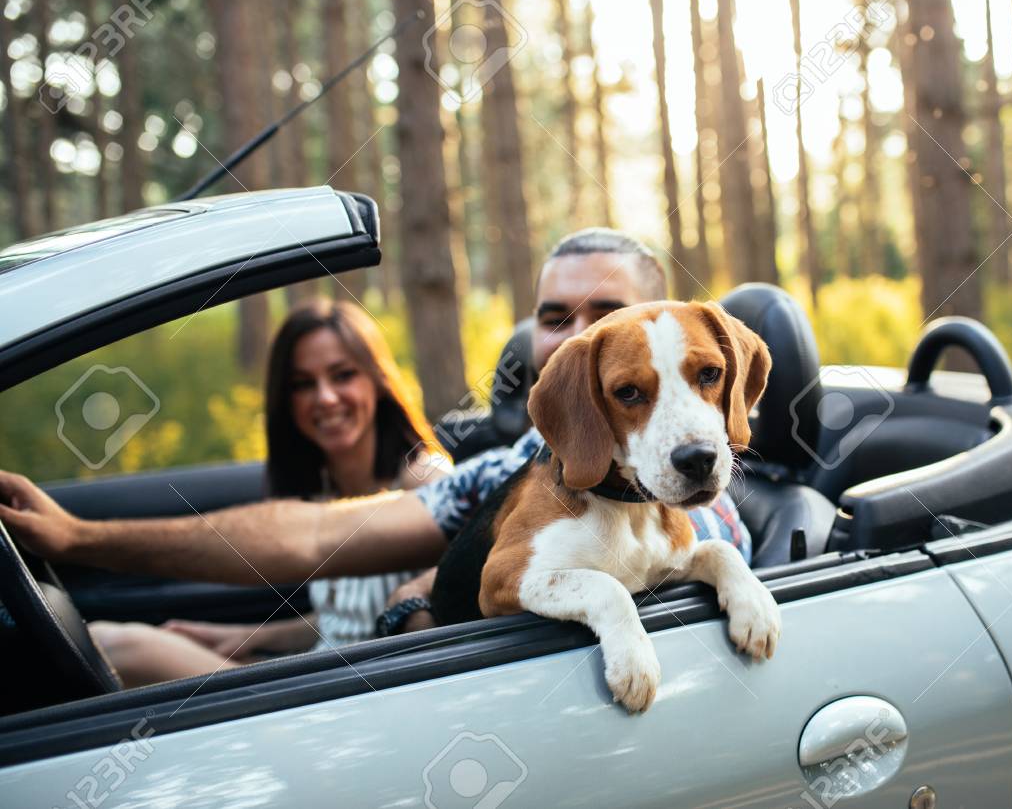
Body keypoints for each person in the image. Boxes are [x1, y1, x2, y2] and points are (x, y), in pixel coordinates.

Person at [0, 229, 750, 674]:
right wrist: (79, 537)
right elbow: (319, 536)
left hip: (422, 699)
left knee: (116, 650)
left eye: (607, 314)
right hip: (389, 676)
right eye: (555, 316)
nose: (574, 335)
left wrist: (425, 600)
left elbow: (687, 547)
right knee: (119, 643)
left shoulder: (692, 488)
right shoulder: (512, 468)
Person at [88, 299, 446, 686]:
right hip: (318, 673)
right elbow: (342, 619)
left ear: (377, 381)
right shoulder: (323, 490)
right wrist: (247, 637)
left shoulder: (425, 480)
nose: (325, 397)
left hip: (341, 698)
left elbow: (446, 607)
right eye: (303, 384)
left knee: (113, 645)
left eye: (342, 375)